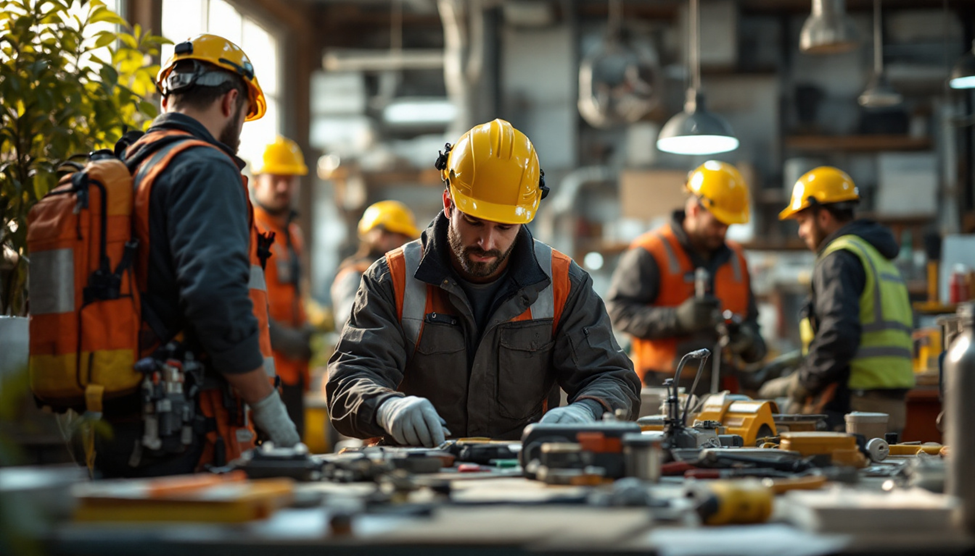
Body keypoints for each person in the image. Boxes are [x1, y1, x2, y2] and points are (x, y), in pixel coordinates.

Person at [326, 119, 640, 447]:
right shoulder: (392, 279)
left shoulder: (562, 283)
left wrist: (586, 412)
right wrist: (386, 407)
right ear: (449, 203)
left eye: (504, 227)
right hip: (417, 479)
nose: (487, 242)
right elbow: (348, 379)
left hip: (524, 480)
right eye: (474, 221)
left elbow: (612, 378)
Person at [98, 34, 299, 477]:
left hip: (120, 419)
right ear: (231, 102)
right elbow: (215, 299)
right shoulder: (205, 168)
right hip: (185, 432)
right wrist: (267, 408)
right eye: (246, 114)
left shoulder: (132, 166)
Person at [761, 167, 914, 432]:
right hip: (890, 406)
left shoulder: (837, 259)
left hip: (856, 406)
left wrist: (801, 383)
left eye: (802, 222)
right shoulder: (877, 256)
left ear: (823, 216)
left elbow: (839, 336)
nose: (801, 232)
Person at [606, 161, 767, 390]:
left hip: (723, 391)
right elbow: (619, 312)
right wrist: (677, 319)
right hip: (662, 390)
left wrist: (750, 341)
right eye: (717, 223)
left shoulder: (737, 259)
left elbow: (752, 321)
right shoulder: (650, 252)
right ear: (694, 210)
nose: (723, 232)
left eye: (727, 225)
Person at [251, 136, 314, 437]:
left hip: (294, 371)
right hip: (263, 372)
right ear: (257, 180)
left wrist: (306, 328)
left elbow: (294, 292)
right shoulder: (249, 228)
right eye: (276, 179)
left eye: (289, 180)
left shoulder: (293, 233)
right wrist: (277, 334)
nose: (283, 187)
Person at [331, 200, 420, 330]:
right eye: (400, 236)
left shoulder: (393, 274)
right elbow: (350, 324)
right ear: (381, 235)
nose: (404, 244)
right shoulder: (355, 274)